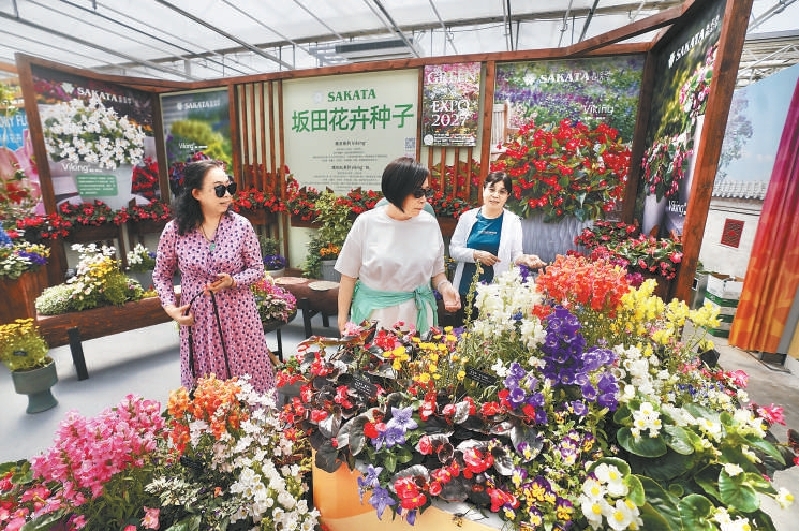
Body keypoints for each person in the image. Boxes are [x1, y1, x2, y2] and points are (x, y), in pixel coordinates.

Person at [152, 160, 275, 394]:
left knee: (248, 374)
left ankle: (256, 425)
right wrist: (171, 308)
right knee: (208, 383)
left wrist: (233, 281)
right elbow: (161, 274)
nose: (227, 194)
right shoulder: (175, 230)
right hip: (200, 321)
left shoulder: (241, 226)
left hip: (240, 316)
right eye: (219, 189)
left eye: (230, 187)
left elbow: (257, 268)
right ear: (197, 193)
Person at [335, 157, 461, 334]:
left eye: (427, 192)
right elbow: (348, 276)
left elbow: (437, 274)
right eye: (417, 193)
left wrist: (445, 287)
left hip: (418, 316)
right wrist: (342, 320)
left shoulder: (429, 225)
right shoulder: (366, 223)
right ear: (397, 190)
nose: (424, 200)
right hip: (375, 316)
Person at [449, 171, 545, 313]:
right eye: (491, 189)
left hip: (496, 295)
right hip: (466, 292)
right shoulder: (467, 218)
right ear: (483, 190)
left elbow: (516, 254)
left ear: (508, 196)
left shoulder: (512, 221)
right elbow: (454, 250)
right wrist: (476, 255)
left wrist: (526, 259)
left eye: (502, 192)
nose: (495, 195)